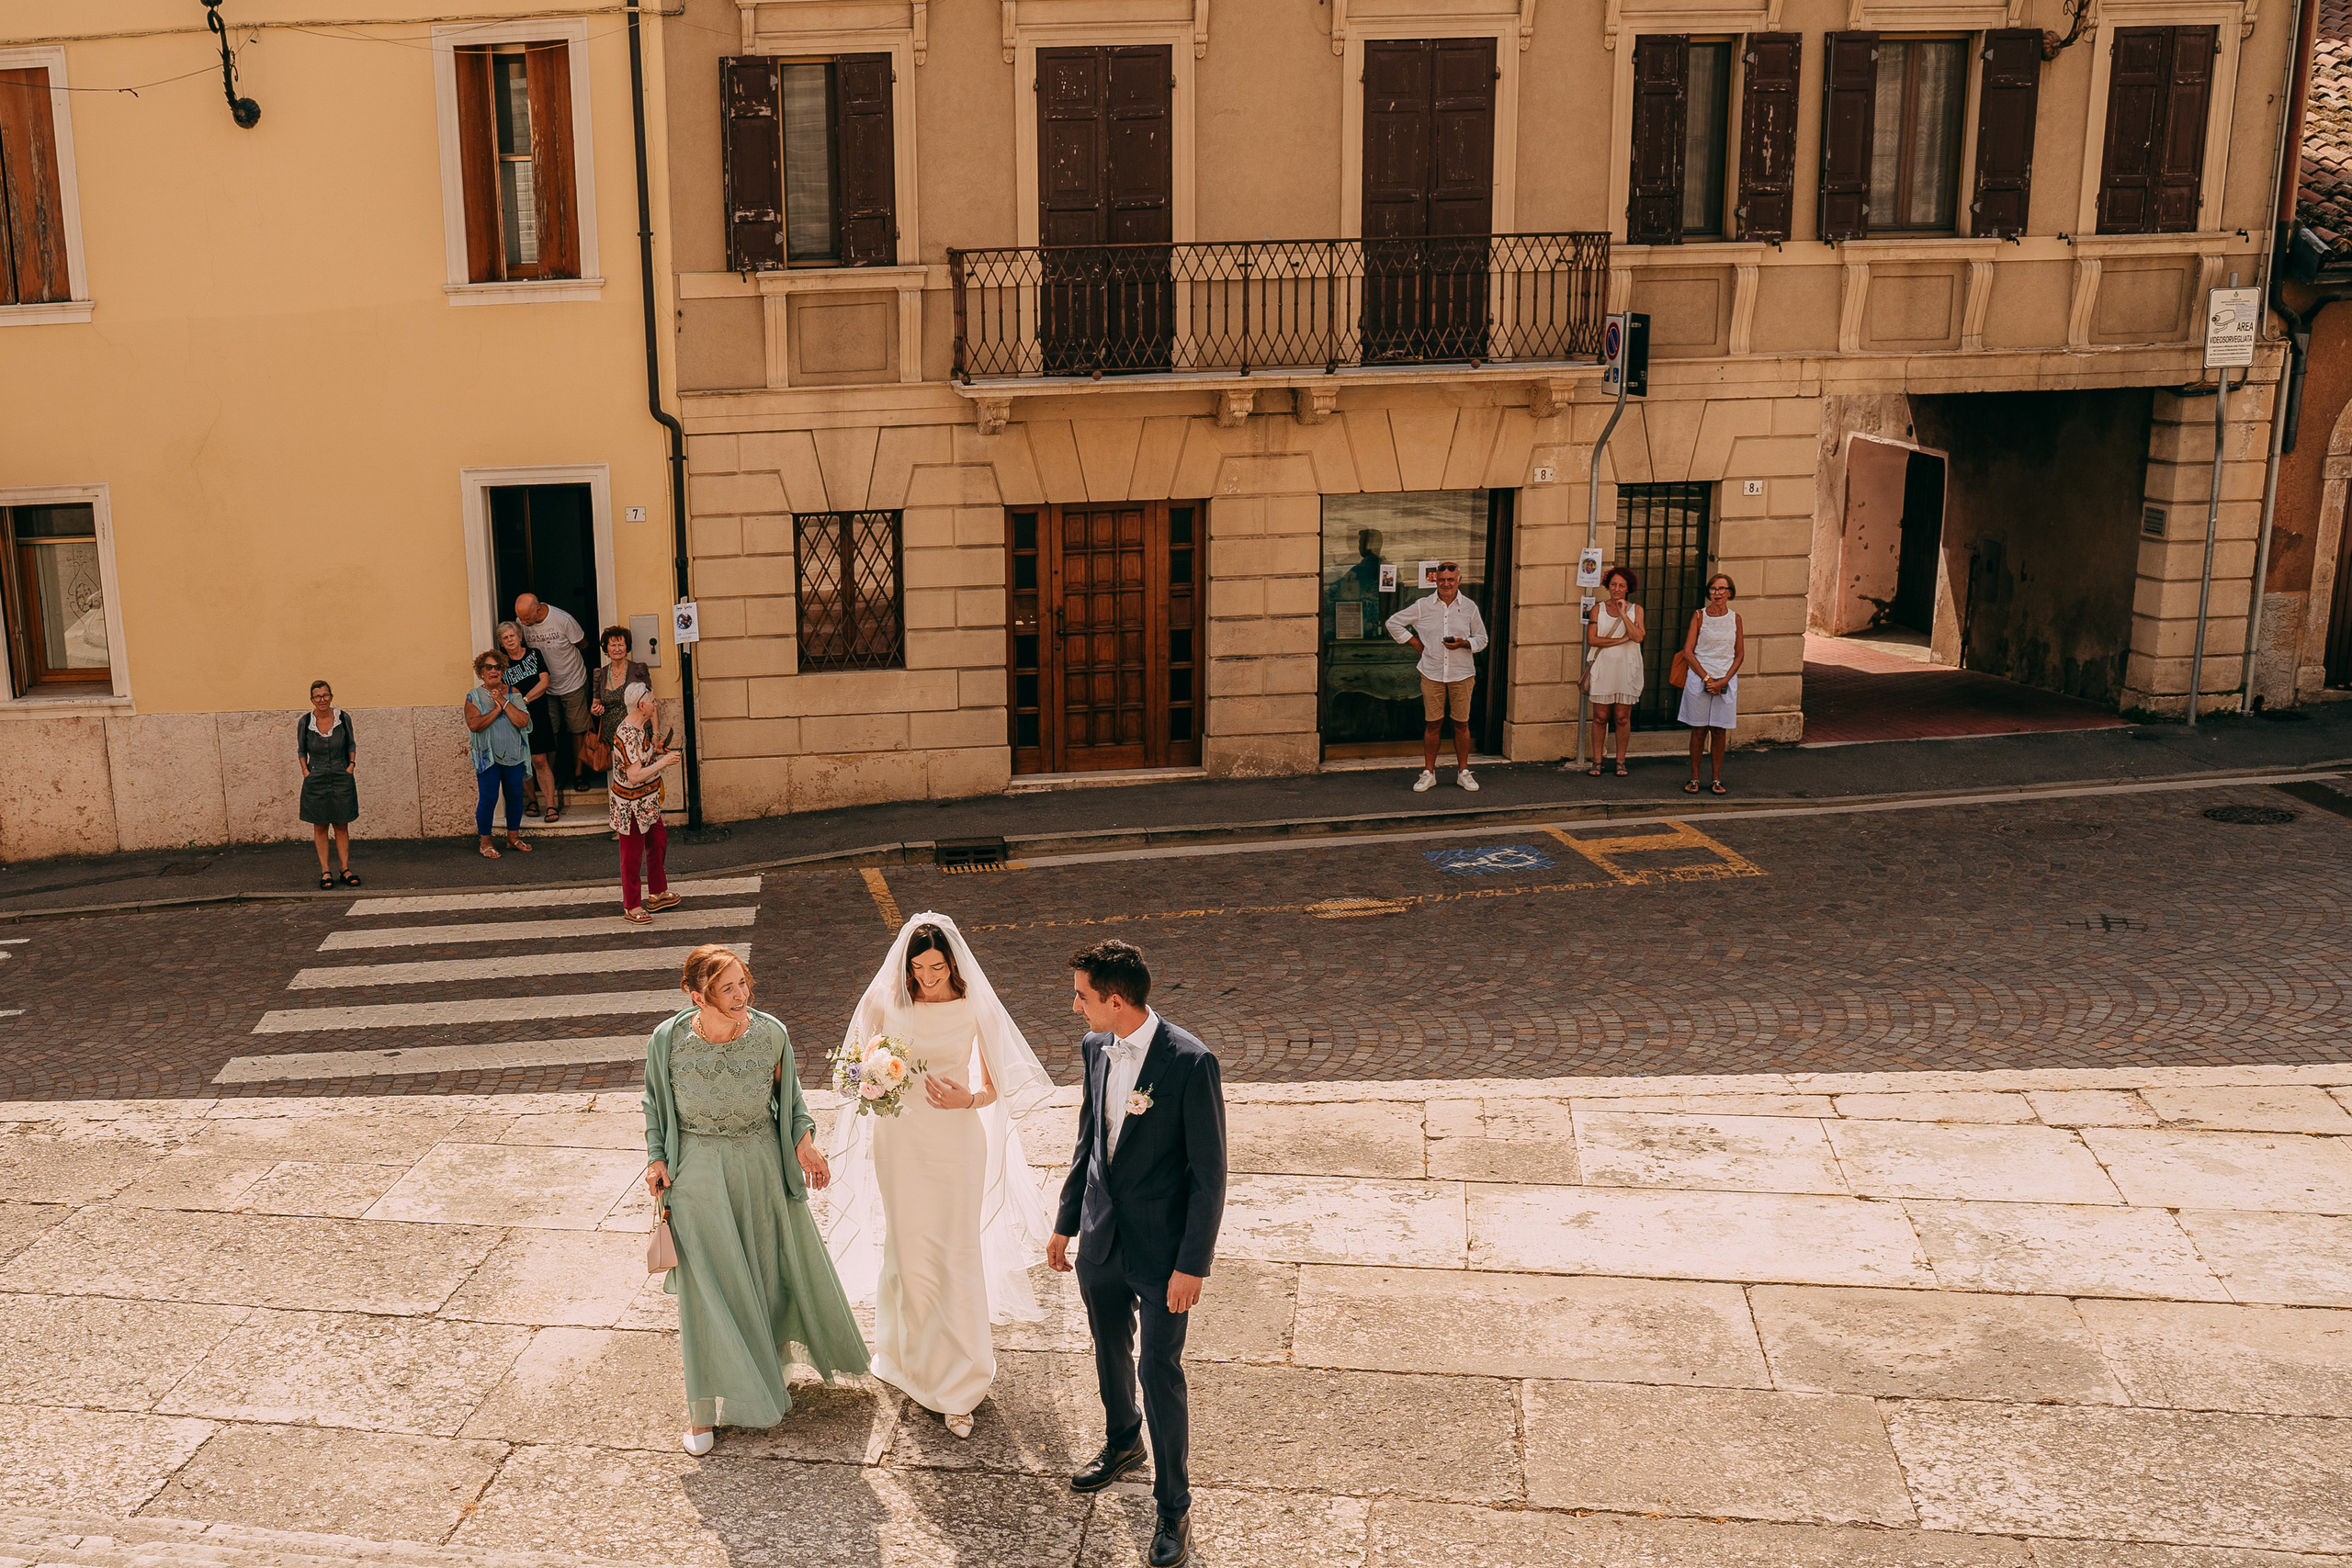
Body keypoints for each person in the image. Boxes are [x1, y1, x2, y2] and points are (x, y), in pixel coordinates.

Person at [822, 914, 1056, 1442]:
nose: (926, 977)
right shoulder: (884, 1002)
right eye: (918, 967)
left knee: (954, 1250)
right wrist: (871, 1085)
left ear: (953, 963)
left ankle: (960, 1382)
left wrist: (965, 1098)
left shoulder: (975, 1006)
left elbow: (996, 1088)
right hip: (900, 1141)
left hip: (955, 1139)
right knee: (908, 1249)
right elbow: (852, 1072)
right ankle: (908, 1360)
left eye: (936, 967)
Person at [641, 945, 869, 1456]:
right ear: (695, 995)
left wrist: (805, 1144)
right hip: (697, 1169)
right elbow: (655, 1101)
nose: (742, 996)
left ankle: (768, 1371)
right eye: (727, 989)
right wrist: (657, 1157)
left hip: (761, 1165)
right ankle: (701, 1409)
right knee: (707, 1289)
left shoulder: (772, 1034)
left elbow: (791, 1105)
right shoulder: (668, 1039)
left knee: (766, 1275)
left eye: (744, 983)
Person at [1050, 939, 1227, 1568]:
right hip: (1102, 1238)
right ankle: (1123, 1441)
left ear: (1115, 999)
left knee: (1160, 1369)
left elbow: (1210, 1175)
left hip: (1163, 1253)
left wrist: (1192, 1265)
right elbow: (1088, 1140)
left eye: (1082, 994)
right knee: (1107, 1349)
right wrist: (1066, 1222)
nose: (1075, 1005)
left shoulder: (1190, 1062)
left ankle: (1173, 1503)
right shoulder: (1095, 1047)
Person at [1385, 562, 1487, 795]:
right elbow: (1393, 623)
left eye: (1451, 579)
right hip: (1431, 672)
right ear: (1435, 581)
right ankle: (1429, 773)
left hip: (1462, 673)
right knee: (1433, 724)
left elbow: (1482, 639)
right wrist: (1416, 643)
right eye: (1442, 579)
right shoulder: (1423, 606)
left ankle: (1463, 772)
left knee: (1461, 724)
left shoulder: (1469, 607)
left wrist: (1464, 643)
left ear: (1459, 580)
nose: (1446, 584)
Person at [610, 682, 682, 923]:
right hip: (631, 805)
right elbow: (634, 775)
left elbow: (641, 759)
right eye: (652, 701)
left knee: (658, 840)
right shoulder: (627, 734)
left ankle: (658, 893)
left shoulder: (640, 728)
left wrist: (657, 752)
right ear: (641, 705)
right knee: (631, 856)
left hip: (646, 801)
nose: (655, 704)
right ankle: (631, 906)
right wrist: (664, 762)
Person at [515, 592, 593, 792]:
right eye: (520, 618)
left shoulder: (563, 620)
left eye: (526, 618)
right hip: (543, 687)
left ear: (538, 609)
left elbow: (583, 644)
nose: (522, 622)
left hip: (572, 681)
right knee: (550, 731)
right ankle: (551, 775)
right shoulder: (521, 622)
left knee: (577, 730)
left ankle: (579, 773)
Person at [1679, 572, 1745, 795]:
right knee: (1698, 730)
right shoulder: (1699, 616)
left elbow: (1739, 655)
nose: (1717, 593)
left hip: (1725, 680)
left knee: (1719, 730)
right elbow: (1688, 651)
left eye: (1722, 589)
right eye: (1713, 589)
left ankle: (1716, 778)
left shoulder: (1735, 618)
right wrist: (1707, 679)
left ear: (1730, 593)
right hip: (1699, 679)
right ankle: (1694, 776)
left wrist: (1724, 680)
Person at [463, 651, 533, 859]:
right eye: (488, 667)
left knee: (514, 796)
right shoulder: (473, 697)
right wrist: (496, 709)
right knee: (489, 798)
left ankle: (513, 838)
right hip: (487, 756)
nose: (493, 671)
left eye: (497, 667)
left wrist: (504, 701)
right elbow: (474, 725)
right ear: (481, 671)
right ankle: (485, 842)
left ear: (503, 669)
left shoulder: (514, 693)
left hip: (513, 753)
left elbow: (523, 721)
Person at [297, 680, 360, 888]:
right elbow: (301, 749)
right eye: (317, 697)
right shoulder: (306, 722)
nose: (322, 700)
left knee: (341, 824)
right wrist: (306, 771)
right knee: (320, 825)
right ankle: (325, 871)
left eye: (325, 695)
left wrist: (350, 765)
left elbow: (350, 743)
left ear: (331, 696)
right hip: (316, 776)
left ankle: (345, 868)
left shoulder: (343, 718)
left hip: (341, 774)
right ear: (312, 700)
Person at [1583, 567, 1645, 778]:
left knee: (1621, 717)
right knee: (1600, 717)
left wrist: (1622, 613)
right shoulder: (1597, 609)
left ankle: (1620, 761)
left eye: (1621, 586)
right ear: (1608, 586)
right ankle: (1597, 761)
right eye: (1613, 585)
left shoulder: (1636, 610)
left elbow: (1637, 637)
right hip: (1604, 668)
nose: (1616, 589)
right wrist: (1619, 641)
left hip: (1627, 668)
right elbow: (1592, 640)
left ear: (1628, 588)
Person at [495, 620, 559, 823]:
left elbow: (544, 681)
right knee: (523, 760)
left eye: (512, 635)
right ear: (501, 643)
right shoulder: (501, 662)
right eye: (505, 638)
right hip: (513, 716)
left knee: (540, 759)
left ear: (520, 636)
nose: (510, 640)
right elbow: (501, 690)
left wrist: (525, 700)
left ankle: (550, 804)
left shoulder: (534, 655)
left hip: (537, 713)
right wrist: (516, 705)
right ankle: (532, 800)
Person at [589, 624, 650, 763]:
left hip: (636, 733)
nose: (617, 649)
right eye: (613, 645)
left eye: (621, 645)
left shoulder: (638, 670)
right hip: (612, 736)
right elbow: (595, 705)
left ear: (627, 647)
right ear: (606, 648)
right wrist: (595, 710)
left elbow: (650, 703)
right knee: (619, 775)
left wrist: (657, 733)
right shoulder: (600, 674)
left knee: (638, 772)